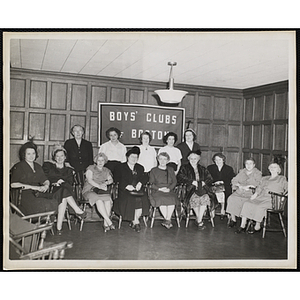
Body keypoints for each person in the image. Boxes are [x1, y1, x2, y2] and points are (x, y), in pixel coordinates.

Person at [42, 145, 86, 234]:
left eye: (62, 156)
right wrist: (55, 182)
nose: (60, 158)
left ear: (65, 157)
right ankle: (77, 211)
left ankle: (59, 227)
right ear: (54, 157)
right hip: (51, 191)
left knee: (63, 193)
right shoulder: (48, 166)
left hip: (65, 191)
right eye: (57, 156)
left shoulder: (69, 170)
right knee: (63, 193)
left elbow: (70, 183)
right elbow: (44, 178)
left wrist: (62, 182)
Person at [235, 162, 288, 234]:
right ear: (269, 169)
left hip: (273, 199)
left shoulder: (281, 178)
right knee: (247, 203)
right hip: (261, 197)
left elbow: (288, 189)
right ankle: (243, 225)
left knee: (259, 206)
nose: (272, 169)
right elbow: (259, 188)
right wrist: (255, 194)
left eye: (274, 167)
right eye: (271, 167)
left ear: (278, 170)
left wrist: (283, 197)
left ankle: (257, 226)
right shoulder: (264, 178)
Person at [10, 140, 58, 215]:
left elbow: (45, 179)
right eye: (28, 154)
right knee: (45, 204)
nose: (31, 156)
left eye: (33, 153)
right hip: (23, 196)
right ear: (24, 155)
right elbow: (13, 184)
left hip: (37, 194)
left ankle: (46, 225)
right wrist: (34, 187)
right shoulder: (18, 166)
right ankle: (37, 224)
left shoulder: (37, 166)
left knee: (54, 201)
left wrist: (46, 185)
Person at [113, 147, 149, 233]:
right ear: (127, 157)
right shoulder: (120, 167)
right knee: (131, 199)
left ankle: (134, 221)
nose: (134, 159)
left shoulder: (140, 167)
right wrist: (125, 186)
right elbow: (116, 180)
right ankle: (136, 221)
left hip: (138, 191)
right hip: (125, 191)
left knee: (143, 199)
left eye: (136, 157)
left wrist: (140, 183)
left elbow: (145, 177)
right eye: (132, 157)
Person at [177, 150, 214, 230]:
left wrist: (204, 182)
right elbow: (180, 177)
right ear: (188, 159)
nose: (193, 160)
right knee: (195, 199)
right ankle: (199, 221)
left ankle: (199, 219)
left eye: (195, 159)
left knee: (205, 198)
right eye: (191, 159)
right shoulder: (184, 168)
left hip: (202, 189)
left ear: (198, 159)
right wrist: (191, 182)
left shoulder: (203, 168)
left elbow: (210, 178)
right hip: (190, 190)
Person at [82, 153, 115, 232]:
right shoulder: (91, 168)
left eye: (102, 160)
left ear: (105, 161)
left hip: (100, 191)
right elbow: (89, 180)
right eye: (98, 160)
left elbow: (111, 180)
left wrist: (106, 183)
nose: (100, 162)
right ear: (95, 161)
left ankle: (105, 224)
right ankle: (109, 221)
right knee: (98, 200)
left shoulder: (106, 170)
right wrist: (99, 186)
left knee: (107, 200)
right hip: (89, 190)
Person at [226, 157, 262, 228]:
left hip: (250, 193)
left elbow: (259, 184)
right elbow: (234, 181)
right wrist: (240, 186)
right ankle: (233, 219)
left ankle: (243, 223)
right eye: (247, 164)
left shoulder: (257, 173)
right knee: (231, 198)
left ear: (254, 165)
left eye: (250, 164)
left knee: (246, 202)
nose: (248, 165)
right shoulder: (242, 172)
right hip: (240, 191)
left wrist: (251, 188)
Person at [149, 152, 179, 229]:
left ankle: (167, 220)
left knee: (172, 198)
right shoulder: (153, 170)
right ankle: (168, 220)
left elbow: (174, 181)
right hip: (157, 190)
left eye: (165, 159)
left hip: (169, 190)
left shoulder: (171, 169)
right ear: (158, 160)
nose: (162, 161)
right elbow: (151, 183)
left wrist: (169, 188)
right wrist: (159, 189)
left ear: (168, 161)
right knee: (161, 198)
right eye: (161, 159)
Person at [207, 153, 235, 219]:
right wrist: (214, 182)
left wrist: (222, 182)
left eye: (219, 160)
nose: (218, 161)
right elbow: (208, 178)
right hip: (213, 185)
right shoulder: (210, 168)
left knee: (225, 192)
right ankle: (212, 210)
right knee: (211, 193)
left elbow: (231, 178)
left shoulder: (229, 168)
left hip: (225, 185)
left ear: (223, 160)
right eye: (216, 160)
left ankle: (223, 209)